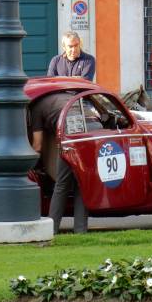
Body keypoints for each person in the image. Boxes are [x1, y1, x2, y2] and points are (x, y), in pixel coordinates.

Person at [30, 92, 89, 234]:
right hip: (91, 127)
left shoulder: (36, 108)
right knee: (81, 183)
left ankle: (52, 229)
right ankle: (80, 230)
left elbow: (37, 146)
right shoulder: (62, 95)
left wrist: (30, 166)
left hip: (72, 132)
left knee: (62, 183)